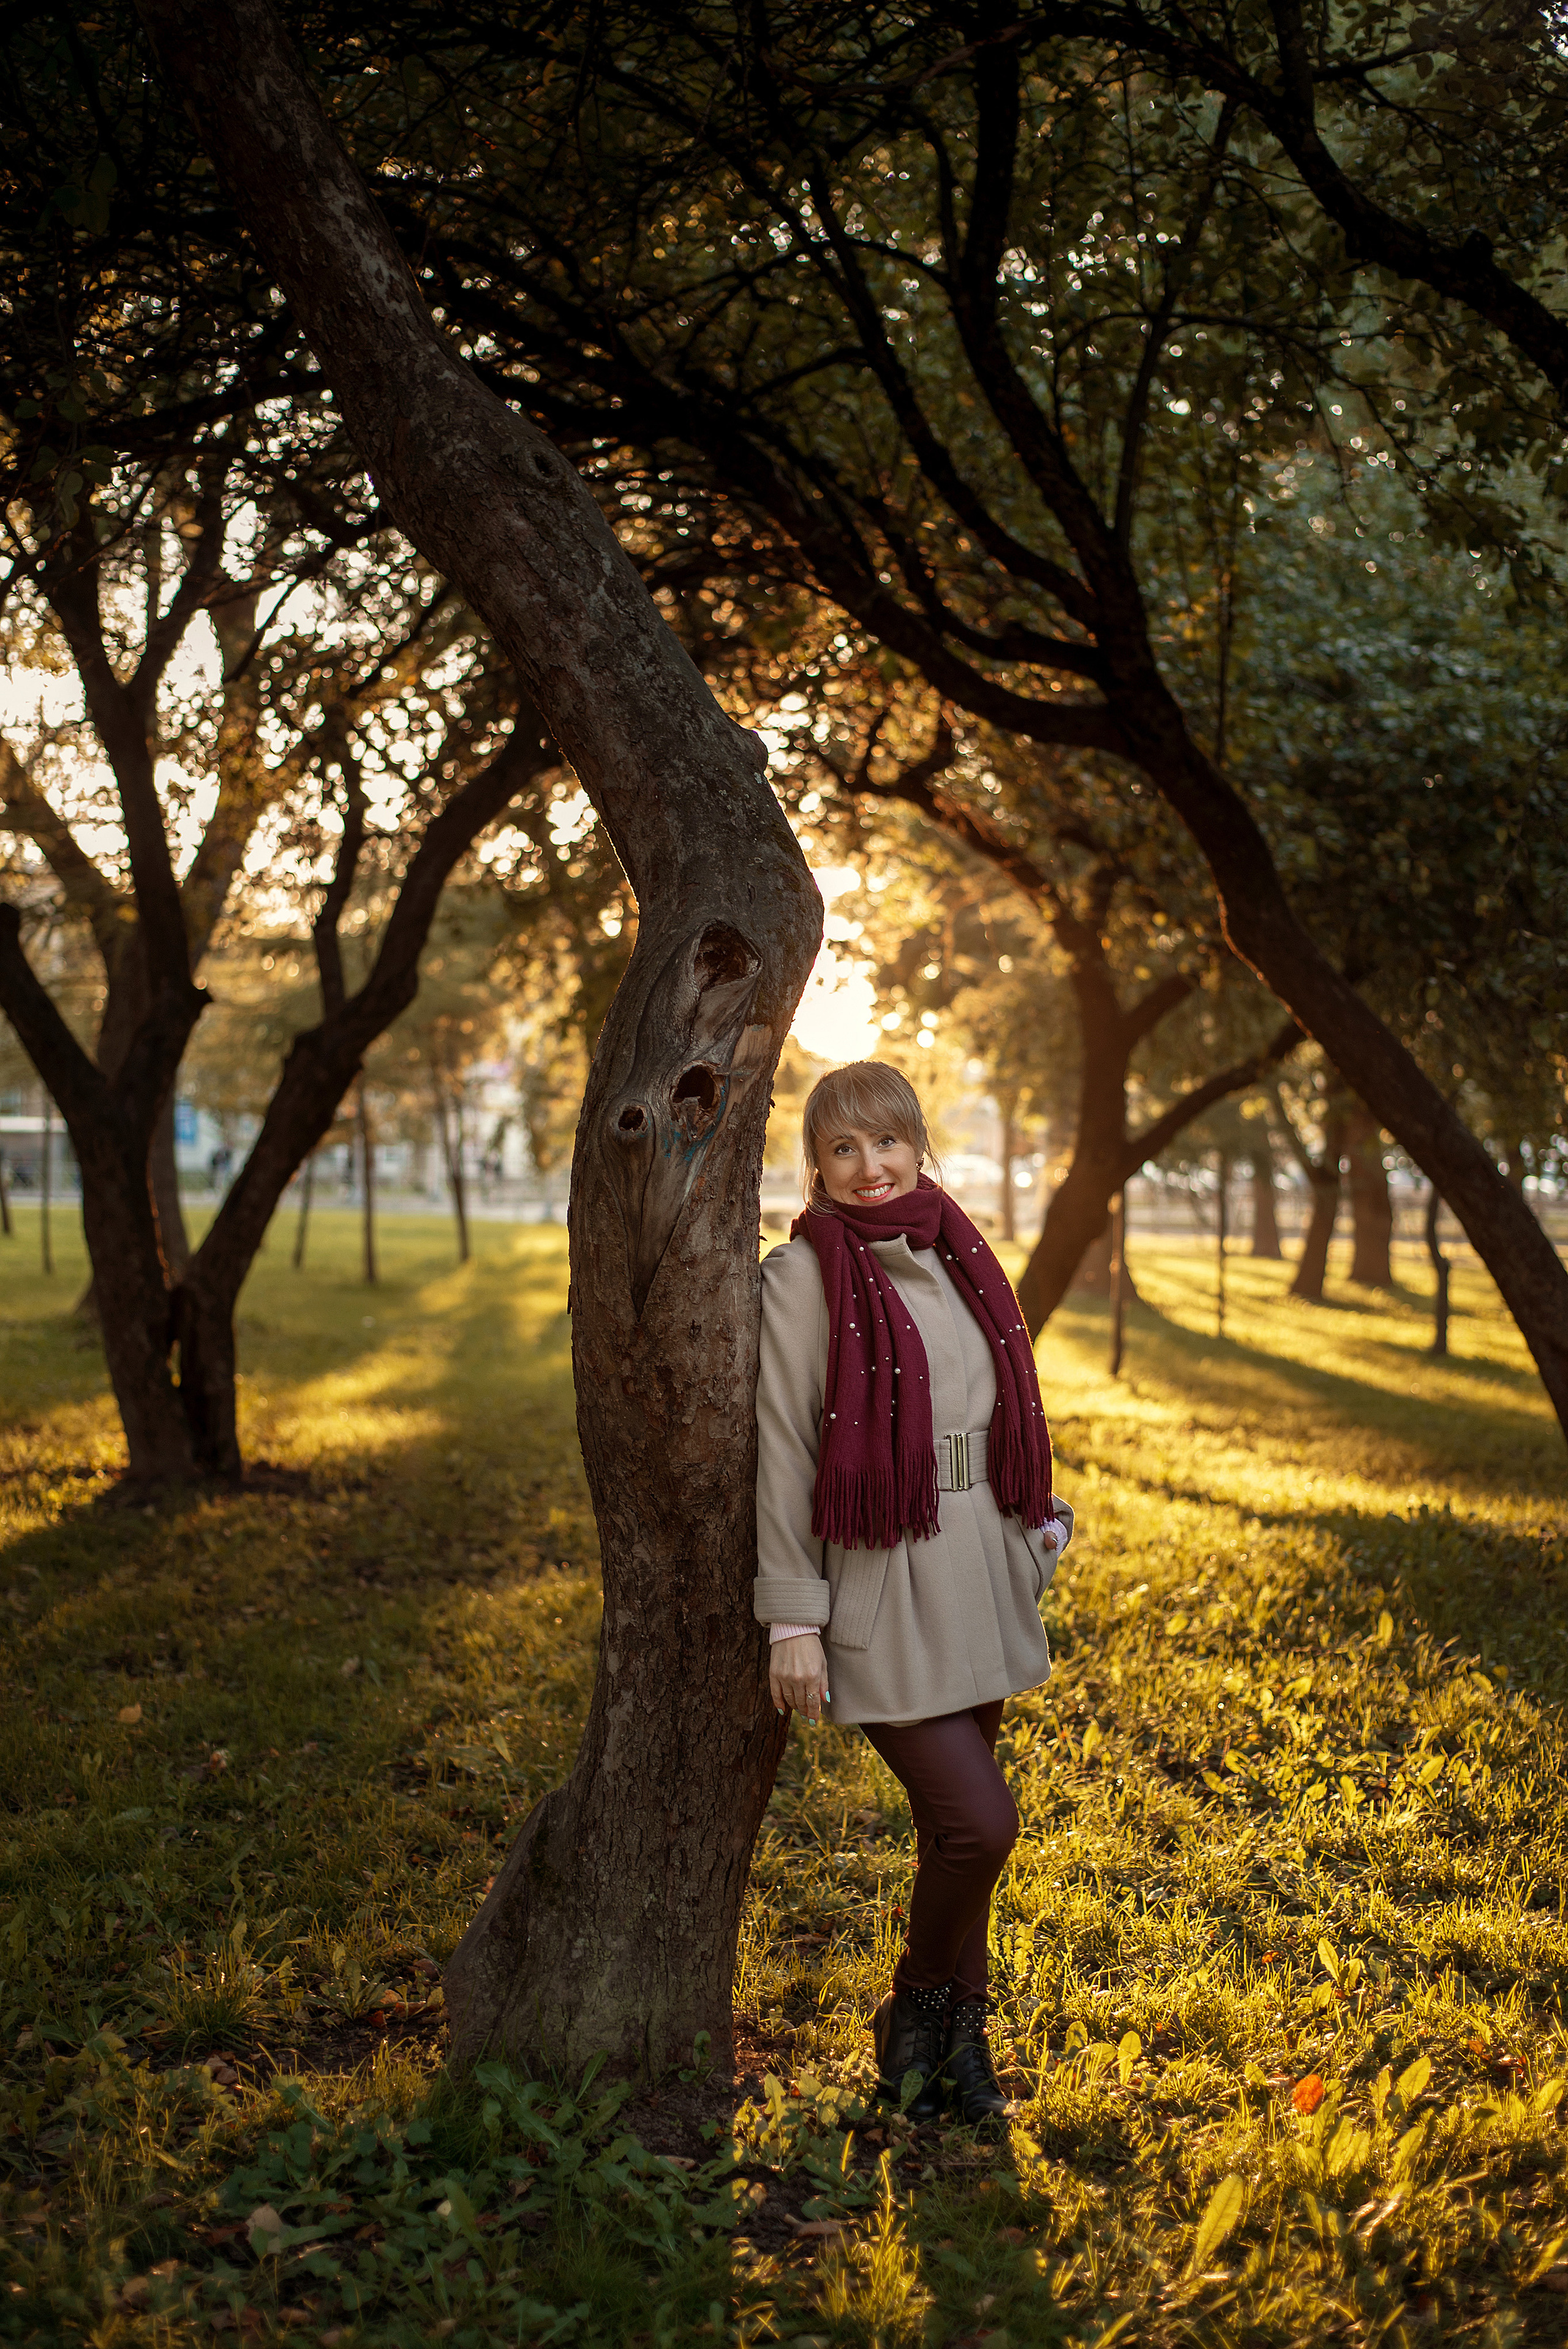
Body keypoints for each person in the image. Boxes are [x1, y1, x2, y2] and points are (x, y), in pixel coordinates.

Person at [754, 1062, 1072, 2129]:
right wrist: (792, 1617)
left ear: (917, 1143)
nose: (869, 1166)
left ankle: (957, 2044)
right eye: (842, 1148)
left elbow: (999, 1402)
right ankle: (914, 2010)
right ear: (817, 1164)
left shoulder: (954, 1247)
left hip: (982, 1563)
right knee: (981, 1825)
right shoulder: (806, 1276)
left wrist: (1032, 1524)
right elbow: (784, 1451)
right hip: (885, 1578)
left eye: (886, 1140)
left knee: (953, 1838)